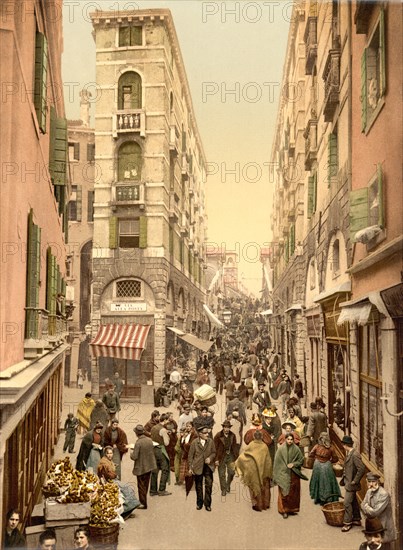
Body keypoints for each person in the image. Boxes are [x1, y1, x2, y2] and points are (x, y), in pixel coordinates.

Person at [235, 430, 272, 512]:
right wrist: (269, 472)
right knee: (265, 487)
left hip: (253, 471)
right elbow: (268, 461)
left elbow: (243, 457)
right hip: (264, 471)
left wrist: (238, 464)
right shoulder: (265, 447)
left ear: (254, 437)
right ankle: (266, 504)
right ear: (262, 437)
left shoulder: (251, 445)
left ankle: (257, 504)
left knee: (254, 486)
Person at [273, 433, 307, 519]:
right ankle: (283, 510)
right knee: (284, 491)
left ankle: (291, 509)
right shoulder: (280, 450)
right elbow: (277, 463)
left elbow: (301, 460)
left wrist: (294, 464)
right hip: (283, 473)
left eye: (291, 440)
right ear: (285, 439)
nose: (290, 441)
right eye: (288, 439)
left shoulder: (296, 449)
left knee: (293, 492)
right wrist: (281, 471)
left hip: (293, 474)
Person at [360, 473, 396, 546]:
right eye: (369, 482)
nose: (371, 484)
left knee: (383, 546)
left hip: (383, 526)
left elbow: (375, 512)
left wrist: (366, 506)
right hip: (373, 526)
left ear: (377, 482)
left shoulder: (383, 494)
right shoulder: (369, 491)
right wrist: (366, 507)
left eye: (373, 481)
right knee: (373, 544)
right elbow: (362, 505)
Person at [340, 435, 366, 532]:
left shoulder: (354, 455)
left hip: (351, 484)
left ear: (346, 445)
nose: (343, 446)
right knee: (353, 500)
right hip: (348, 482)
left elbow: (361, 468)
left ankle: (347, 523)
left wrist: (355, 480)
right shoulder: (350, 453)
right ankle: (357, 519)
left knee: (347, 503)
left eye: (343, 444)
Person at [308, 431, 341, 505]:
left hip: (317, 465)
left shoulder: (316, 446)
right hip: (327, 465)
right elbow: (335, 458)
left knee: (317, 481)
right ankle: (328, 498)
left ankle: (318, 498)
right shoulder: (331, 448)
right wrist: (330, 461)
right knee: (327, 482)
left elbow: (311, 454)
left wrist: (316, 458)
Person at [188, 426, 216, 511]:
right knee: (198, 486)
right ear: (200, 434)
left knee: (209, 485)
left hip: (208, 467)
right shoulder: (194, 443)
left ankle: (207, 504)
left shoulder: (210, 441)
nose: (207, 434)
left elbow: (214, 452)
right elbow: (190, 456)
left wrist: (210, 458)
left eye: (208, 432)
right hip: (197, 467)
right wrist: (190, 467)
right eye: (205, 433)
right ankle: (199, 503)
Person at [131, 424, 157, 509]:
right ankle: (144, 500)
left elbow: (134, 456)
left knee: (141, 485)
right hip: (149, 466)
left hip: (141, 467)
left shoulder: (138, 442)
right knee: (146, 484)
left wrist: (131, 453)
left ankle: (143, 503)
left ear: (136, 434)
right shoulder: (149, 440)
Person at [213, 420, 239, 496]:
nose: (227, 429)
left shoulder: (233, 435)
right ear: (223, 427)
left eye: (228, 427)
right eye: (225, 427)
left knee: (232, 472)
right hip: (221, 456)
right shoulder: (218, 435)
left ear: (230, 428)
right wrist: (216, 459)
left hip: (230, 455)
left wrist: (236, 458)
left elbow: (235, 447)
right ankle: (223, 489)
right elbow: (214, 448)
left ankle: (228, 485)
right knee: (221, 474)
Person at [150, 413, 172, 496]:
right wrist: (167, 436)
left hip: (153, 450)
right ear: (165, 420)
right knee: (165, 469)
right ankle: (162, 490)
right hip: (160, 450)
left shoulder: (153, 428)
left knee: (155, 470)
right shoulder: (163, 430)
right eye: (167, 420)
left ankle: (153, 490)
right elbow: (166, 443)